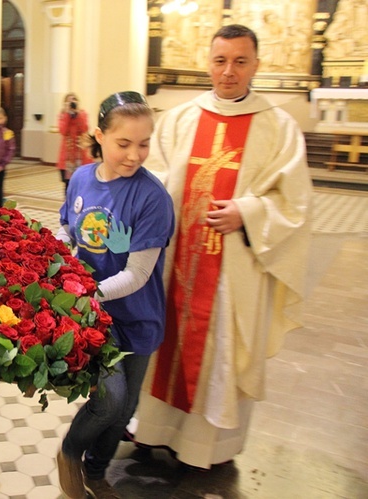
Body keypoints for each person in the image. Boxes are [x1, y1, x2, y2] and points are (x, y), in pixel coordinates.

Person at [135, 24, 313, 471]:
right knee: (163, 343)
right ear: (207, 62)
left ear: (256, 64)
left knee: (220, 353)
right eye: (220, 60)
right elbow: (152, 181)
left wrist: (249, 213)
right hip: (174, 261)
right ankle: (155, 430)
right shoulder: (179, 119)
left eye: (239, 61)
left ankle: (208, 447)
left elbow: (296, 203)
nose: (228, 72)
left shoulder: (278, 126)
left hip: (234, 269)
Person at [55, 92, 175, 499]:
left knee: (126, 410)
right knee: (110, 399)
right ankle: (70, 452)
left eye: (144, 143)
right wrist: (58, 262)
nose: (135, 155)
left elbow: (138, 274)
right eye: (124, 143)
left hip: (137, 314)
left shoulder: (152, 197)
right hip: (93, 318)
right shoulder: (82, 179)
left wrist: (82, 292)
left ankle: (97, 470)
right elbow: (67, 230)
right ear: (100, 136)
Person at [57, 92, 91, 195]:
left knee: (82, 184)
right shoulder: (62, 115)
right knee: (68, 186)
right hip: (67, 157)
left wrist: (78, 115)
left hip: (80, 156)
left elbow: (84, 129)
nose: (72, 103)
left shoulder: (82, 114)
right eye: (69, 101)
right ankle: (68, 208)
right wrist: (68, 114)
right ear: (65, 103)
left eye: (74, 100)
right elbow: (63, 131)